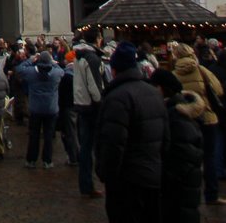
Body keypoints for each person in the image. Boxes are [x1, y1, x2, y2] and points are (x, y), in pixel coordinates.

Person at [95, 41, 169, 223]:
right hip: (152, 176)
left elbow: (113, 143)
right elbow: (166, 139)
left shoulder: (117, 97)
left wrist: (106, 174)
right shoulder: (154, 93)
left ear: (113, 70)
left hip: (126, 180)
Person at [172, 42, 226, 206]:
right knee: (208, 157)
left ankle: (188, 195)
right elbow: (218, 90)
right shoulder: (202, 70)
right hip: (207, 118)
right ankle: (211, 194)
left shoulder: (173, 74)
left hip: (186, 119)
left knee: (186, 158)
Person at [150, 68, 204, 223]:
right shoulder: (179, 111)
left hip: (179, 189)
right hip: (184, 189)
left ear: (162, 88)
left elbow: (182, 155)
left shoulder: (176, 116)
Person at [16, 49, 63, 168]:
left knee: (34, 135)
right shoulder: (56, 74)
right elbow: (61, 70)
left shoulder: (31, 73)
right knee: (48, 137)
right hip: (51, 109)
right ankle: (47, 161)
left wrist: (31, 59)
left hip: (36, 109)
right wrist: (51, 61)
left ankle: (31, 160)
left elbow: (19, 69)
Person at [73, 27, 105, 198]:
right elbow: (94, 86)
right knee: (92, 146)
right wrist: (101, 103)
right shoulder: (91, 58)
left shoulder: (78, 56)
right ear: (98, 38)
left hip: (81, 103)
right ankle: (92, 181)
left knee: (85, 146)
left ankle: (86, 183)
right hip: (92, 107)